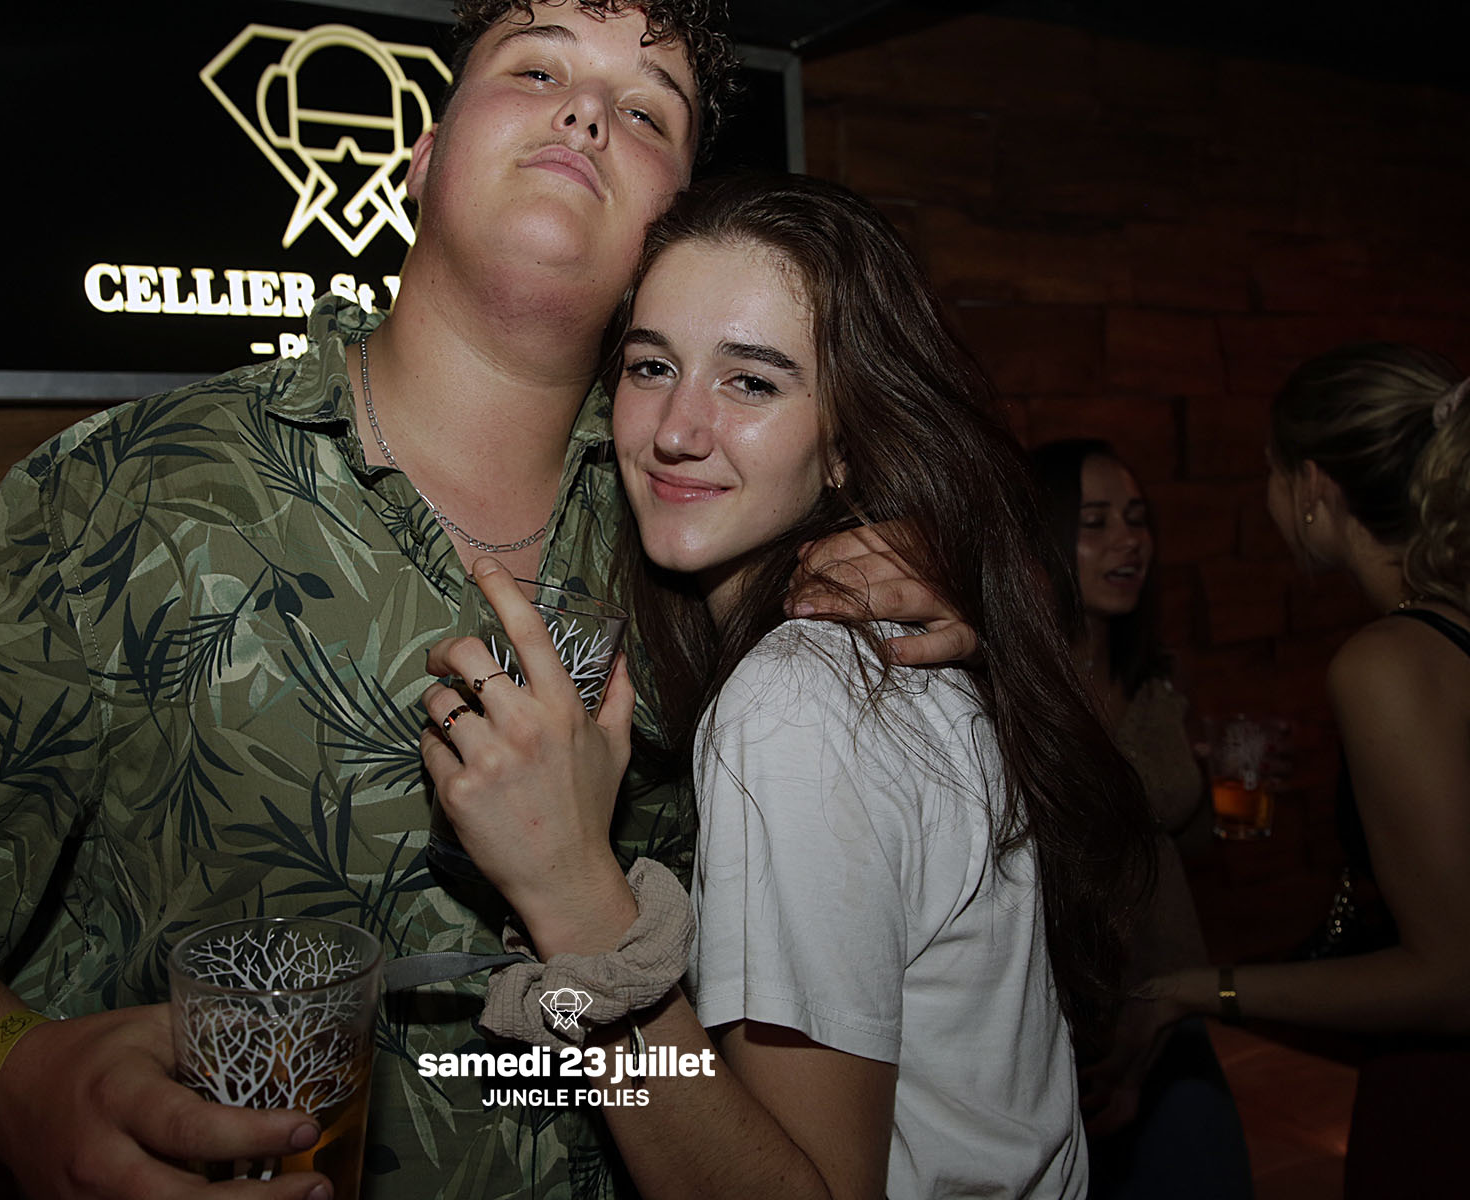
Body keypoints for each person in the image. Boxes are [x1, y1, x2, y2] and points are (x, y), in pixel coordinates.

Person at [0, 5, 974, 1199]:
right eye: (537, 70)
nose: (588, 116)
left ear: (672, 234)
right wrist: (11, 1080)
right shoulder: (139, 488)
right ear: (423, 158)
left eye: (648, 112)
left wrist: (922, 567)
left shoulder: (711, 526)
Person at [420, 173, 1156, 1198]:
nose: (677, 429)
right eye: (651, 366)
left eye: (752, 383)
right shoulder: (861, 651)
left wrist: (569, 891)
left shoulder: (800, 703)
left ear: (848, 442)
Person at [1147, 342, 1470, 1193]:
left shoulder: (1389, 660)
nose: (1269, 496)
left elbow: (1451, 978)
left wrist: (1196, 991)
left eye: (1271, 471)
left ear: (1315, 487)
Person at [1030, 440, 1251, 1199]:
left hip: (1175, 1007)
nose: (1128, 542)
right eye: (1094, 523)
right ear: (1045, 541)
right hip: (1072, 1028)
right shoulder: (1022, 695)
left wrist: (1212, 780)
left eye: (1136, 518)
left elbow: (1177, 847)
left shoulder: (1158, 676)